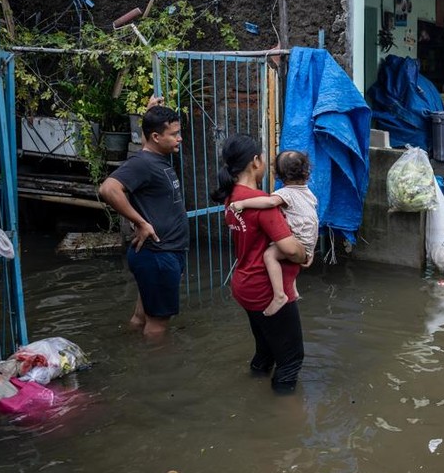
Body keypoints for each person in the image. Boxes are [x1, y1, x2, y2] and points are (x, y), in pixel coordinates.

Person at [210, 134, 307, 392]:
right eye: (263, 157)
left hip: (245, 284)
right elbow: (290, 250)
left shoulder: (232, 197)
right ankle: (282, 421)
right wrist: (304, 253)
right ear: (255, 161)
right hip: (267, 289)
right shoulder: (262, 204)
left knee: (266, 352)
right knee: (291, 359)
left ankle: (253, 393)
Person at [98, 97, 187, 342]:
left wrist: (150, 114)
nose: (179, 138)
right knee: (158, 324)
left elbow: (148, 145)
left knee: (142, 316)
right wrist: (141, 222)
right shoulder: (144, 163)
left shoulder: (154, 157)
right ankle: (158, 372)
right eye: (174, 134)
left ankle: (129, 350)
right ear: (156, 137)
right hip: (158, 254)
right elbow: (108, 189)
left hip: (160, 253)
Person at [228, 150, 318, 316]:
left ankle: (279, 295)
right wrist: (308, 250)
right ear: (306, 173)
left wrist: (242, 204)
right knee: (284, 241)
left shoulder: (285, 194)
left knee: (270, 255)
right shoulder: (308, 193)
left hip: (299, 241)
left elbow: (269, 202)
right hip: (310, 239)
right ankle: (293, 290)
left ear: (278, 175)